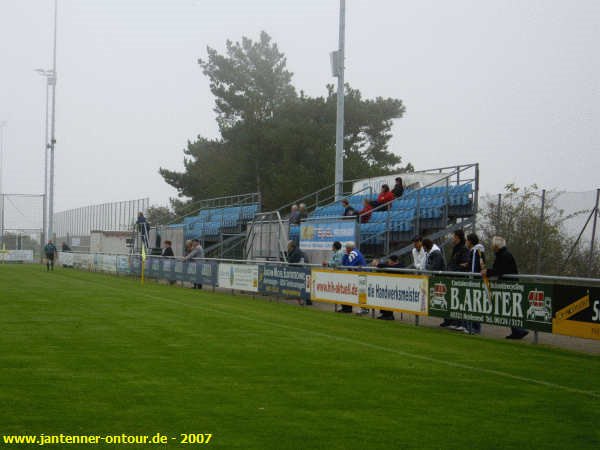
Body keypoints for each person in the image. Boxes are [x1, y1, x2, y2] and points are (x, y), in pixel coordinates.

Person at [481, 236, 529, 340]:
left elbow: (500, 269)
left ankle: (519, 330)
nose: (491, 246)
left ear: (496, 246)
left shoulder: (504, 255)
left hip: (510, 285)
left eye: (493, 244)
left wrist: (487, 272)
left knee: (510, 307)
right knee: (509, 308)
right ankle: (517, 330)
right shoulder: (503, 254)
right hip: (509, 284)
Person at [463, 233, 485, 334]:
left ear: (470, 241)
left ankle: (474, 328)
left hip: (474, 281)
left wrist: (470, 276)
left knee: (473, 304)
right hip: (478, 280)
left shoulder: (475, 250)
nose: (466, 242)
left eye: (467, 240)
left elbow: (473, 268)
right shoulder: (479, 250)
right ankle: (473, 327)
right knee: (475, 303)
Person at [339, 242, 367, 313]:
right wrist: (345, 255)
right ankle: (347, 308)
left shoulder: (353, 253)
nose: (345, 249)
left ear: (349, 248)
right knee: (349, 291)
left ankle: (364, 308)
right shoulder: (350, 253)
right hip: (356, 275)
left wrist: (346, 256)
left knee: (361, 292)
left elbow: (348, 265)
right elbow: (343, 263)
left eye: (346, 248)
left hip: (361, 275)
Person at [375, 255, 404, 320]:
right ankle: (384, 314)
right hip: (389, 286)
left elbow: (388, 267)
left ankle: (389, 315)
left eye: (390, 261)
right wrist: (377, 264)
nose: (389, 262)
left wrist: (378, 264)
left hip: (397, 287)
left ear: (395, 261)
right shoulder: (391, 265)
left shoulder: (400, 266)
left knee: (388, 299)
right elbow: (382, 265)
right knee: (383, 296)